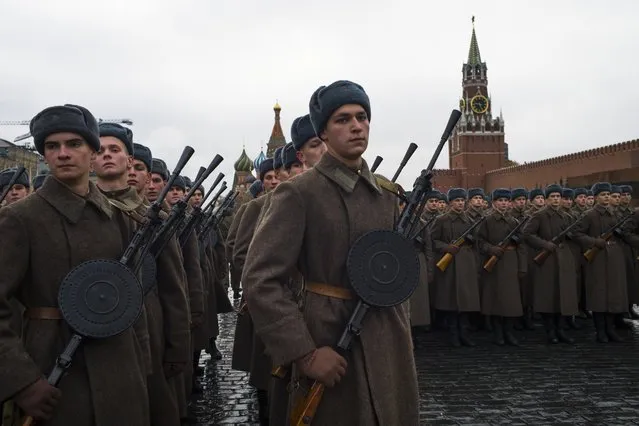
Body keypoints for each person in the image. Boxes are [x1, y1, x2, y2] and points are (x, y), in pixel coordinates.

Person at [243, 80, 419, 424]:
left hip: (387, 337)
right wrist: (304, 354)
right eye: (342, 119)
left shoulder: (386, 194)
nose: (356, 125)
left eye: (362, 116)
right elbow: (261, 279)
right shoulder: (298, 193)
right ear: (323, 132)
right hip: (328, 338)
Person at [0, 104, 150, 425]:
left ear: (92, 152)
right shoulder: (19, 219)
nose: (63, 154)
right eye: (52, 147)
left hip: (119, 364)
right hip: (50, 367)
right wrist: (22, 381)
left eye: (74, 144)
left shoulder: (117, 216)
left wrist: (141, 363)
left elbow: (133, 300)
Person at [431, 188, 481, 347]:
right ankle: (453, 334)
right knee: (451, 301)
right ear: (450, 202)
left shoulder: (470, 221)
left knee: (466, 301)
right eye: (457, 200)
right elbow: (432, 241)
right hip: (450, 263)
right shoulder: (441, 220)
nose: (460, 203)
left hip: (466, 263)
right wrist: (446, 247)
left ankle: (464, 333)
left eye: (462, 200)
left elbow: (476, 243)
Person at [477, 188, 526, 346]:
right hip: (495, 263)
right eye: (500, 201)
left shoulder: (514, 222)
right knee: (497, 300)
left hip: (511, 262)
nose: (503, 204)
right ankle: (498, 334)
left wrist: (522, 267)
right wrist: (491, 249)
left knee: (511, 302)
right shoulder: (487, 221)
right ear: (494, 203)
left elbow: (522, 245)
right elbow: (480, 241)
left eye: (506, 201)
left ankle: (508, 332)